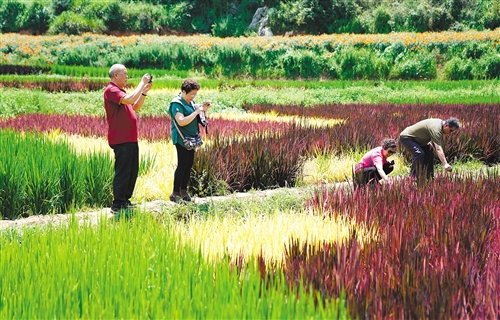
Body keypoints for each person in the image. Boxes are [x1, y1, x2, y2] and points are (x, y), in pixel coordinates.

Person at [104, 64, 152, 213]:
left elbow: (135, 106)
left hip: (130, 138)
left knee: (132, 170)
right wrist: (142, 82)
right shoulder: (111, 90)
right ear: (116, 76)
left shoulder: (120, 91)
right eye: (124, 74)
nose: (127, 76)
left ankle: (125, 200)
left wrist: (143, 93)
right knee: (123, 171)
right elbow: (130, 98)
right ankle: (117, 204)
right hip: (121, 138)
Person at [168, 79, 211, 203]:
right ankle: (175, 193)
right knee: (182, 165)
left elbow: (195, 118)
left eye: (195, 94)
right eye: (191, 94)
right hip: (182, 138)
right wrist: (196, 111)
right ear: (183, 91)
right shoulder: (176, 103)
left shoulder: (191, 103)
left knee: (188, 165)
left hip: (192, 138)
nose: (193, 96)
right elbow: (181, 121)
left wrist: (203, 110)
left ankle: (183, 191)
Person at [399, 117, 460, 182]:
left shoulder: (439, 124)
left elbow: (426, 130)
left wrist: (428, 142)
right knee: (419, 154)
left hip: (416, 139)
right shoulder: (437, 129)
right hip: (407, 137)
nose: (451, 132)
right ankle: (412, 177)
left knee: (430, 152)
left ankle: (429, 176)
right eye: (451, 130)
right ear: (446, 125)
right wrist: (445, 164)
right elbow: (438, 149)